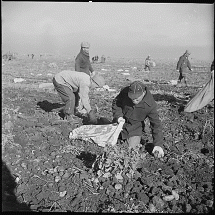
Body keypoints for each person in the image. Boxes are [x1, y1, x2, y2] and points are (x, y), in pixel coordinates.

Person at [112, 81, 164, 158]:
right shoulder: (125, 92)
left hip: (134, 128)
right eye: (131, 98)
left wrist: (158, 144)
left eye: (137, 99)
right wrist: (119, 116)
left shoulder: (150, 105)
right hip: (119, 123)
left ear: (143, 93)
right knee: (107, 142)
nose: (134, 100)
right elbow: (116, 103)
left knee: (130, 151)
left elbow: (156, 124)